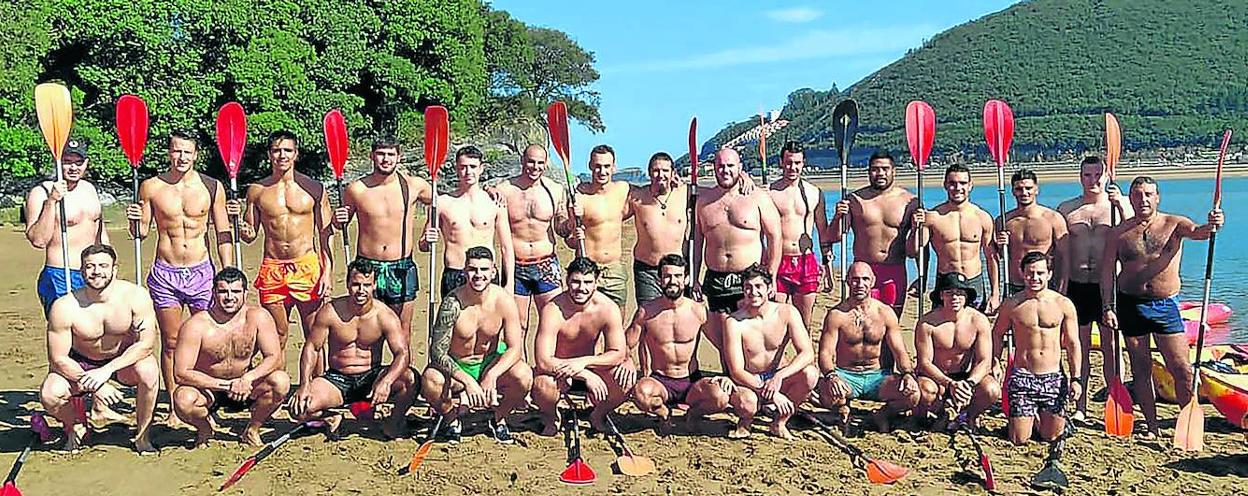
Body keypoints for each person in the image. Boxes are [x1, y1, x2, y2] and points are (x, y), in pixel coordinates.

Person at [1101, 176, 1224, 438]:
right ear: (1130, 199)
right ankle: (1152, 426)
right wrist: (1108, 306)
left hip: (1165, 306)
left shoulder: (1174, 224)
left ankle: (1185, 421)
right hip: (1130, 304)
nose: (1143, 200)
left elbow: (1200, 232)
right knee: (1141, 369)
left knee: (1181, 369)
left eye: (1148, 194)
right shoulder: (1118, 233)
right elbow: (1106, 273)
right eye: (1137, 195)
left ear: (1157, 198)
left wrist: (1213, 224)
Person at [127, 131, 234, 427]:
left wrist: (227, 271)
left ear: (196, 154)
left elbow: (222, 232)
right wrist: (134, 220)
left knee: (208, 340)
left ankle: (205, 399)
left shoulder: (212, 187)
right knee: (172, 342)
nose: (182, 157)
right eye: (176, 151)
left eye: (187, 152)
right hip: (166, 272)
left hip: (202, 272)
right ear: (169, 153)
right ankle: (175, 405)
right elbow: (141, 233)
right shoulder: (151, 187)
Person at [39, 244, 158, 453]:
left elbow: (146, 344)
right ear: (82, 271)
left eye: (103, 266)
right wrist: (96, 385)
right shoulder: (65, 306)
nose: (96, 272)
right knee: (50, 394)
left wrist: (106, 371)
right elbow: (58, 358)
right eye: (90, 266)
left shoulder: (136, 296)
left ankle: (142, 436)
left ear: (114, 269)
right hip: (81, 361)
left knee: (149, 371)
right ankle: (75, 427)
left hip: (122, 359)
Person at [289, 261, 417, 439]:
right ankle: (331, 418)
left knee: (410, 379)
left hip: (371, 377)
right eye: (356, 284)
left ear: (374, 285)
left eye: (366, 285)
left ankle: (393, 422)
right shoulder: (331, 311)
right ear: (348, 284)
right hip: (337, 378)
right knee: (299, 409)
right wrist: (304, 384)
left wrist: (386, 382)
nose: (361, 290)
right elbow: (312, 347)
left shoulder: (385, 315)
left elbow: (402, 353)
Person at [232, 131, 334, 354]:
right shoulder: (257, 190)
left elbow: (326, 234)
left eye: (287, 150)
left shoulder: (314, 189)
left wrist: (327, 273)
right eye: (277, 150)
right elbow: (249, 235)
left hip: (306, 266)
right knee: (276, 334)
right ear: (270, 155)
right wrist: (237, 222)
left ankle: (315, 386)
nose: (282, 155)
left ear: (296, 154)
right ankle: (273, 387)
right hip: (273, 269)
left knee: (314, 333)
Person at [421, 247, 533, 444]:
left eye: (483, 269)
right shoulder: (452, 303)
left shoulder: (504, 301)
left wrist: (492, 375)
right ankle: (452, 420)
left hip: (488, 362)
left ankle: (498, 418)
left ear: (493, 272)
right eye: (473, 269)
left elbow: (515, 348)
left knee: (523, 375)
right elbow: (437, 352)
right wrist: (468, 381)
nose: (478, 275)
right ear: (465, 271)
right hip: (459, 365)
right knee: (431, 380)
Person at [171, 267, 289, 447]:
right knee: (183, 399)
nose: (229, 297)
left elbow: (274, 357)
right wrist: (227, 385)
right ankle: (204, 429)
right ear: (213, 293)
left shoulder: (258, 317)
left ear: (245, 293)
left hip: (246, 385)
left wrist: (247, 378)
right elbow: (181, 373)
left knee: (280, 381)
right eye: (223, 291)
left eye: (235, 291)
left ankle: (252, 429)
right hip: (210, 389)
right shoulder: (197, 325)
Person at [333, 137, 434, 334]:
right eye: (381, 154)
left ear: (399, 157)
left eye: (390, 154)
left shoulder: (414, 186)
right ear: (372, 156)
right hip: (367, 266)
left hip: (401, 265)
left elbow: (440, 202)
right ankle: (374, 365)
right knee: (370, 328)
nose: (385, 159)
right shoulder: (357, 189)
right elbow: (340, 224)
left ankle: (402, 366)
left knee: (403, 329)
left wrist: (428, 230)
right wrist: (339, 218)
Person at [1056, 156, 1131, 420]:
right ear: (1080, 177)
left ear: (1107, 175)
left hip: (1107, 286)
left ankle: (1117, 403)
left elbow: (1133, 231)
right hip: (1077, 286)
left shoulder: (1118, 207)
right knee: (1080, 348)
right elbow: (1056, 250)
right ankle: (1080, 406)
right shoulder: (1067, 209)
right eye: (1087, 175)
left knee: (1112, 347)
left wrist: (1120, 203)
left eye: (1098, 174)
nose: (1093, 180)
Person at [626, 254, 729, 431]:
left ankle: (693, 414)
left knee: (720, 397)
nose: (672, 281)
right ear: (659, 280)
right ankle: (664, 413)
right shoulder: (647, 312)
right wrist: (626, 362)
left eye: (678, 276)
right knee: (640, 395)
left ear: (686, 279)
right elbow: (625, 345)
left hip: (691, 380)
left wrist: (727, 375)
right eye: (667, 276)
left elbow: (723, 345)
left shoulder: (698, 311)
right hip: (661, 380)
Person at [693, 148, 782, 350]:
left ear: (740, 168)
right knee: (725, 343)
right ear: (714, 169)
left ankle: (756, 379)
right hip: (716, 280)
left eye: (730, 166)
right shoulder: (704, 201)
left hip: (749, 278)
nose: (725, 170)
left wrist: (771, 276)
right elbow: (697, 242)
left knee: (750, 340)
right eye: (720, 166)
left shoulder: (757, 197)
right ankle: (729, 379)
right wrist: (695, 277)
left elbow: (775, 237)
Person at [816, 262, 919, 432]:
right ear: (848, 281)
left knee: (913, 395)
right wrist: (831, 376)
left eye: (865, 279)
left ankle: (882, 414)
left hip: (877, 377)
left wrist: (908, 374)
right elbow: (825, 353)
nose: (860, 284)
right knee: (827, 394)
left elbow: (899, 351)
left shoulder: (884, 313)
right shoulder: (836, 315)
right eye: (855, 280)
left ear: (872, 282)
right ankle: (842, 409)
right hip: (846, 375)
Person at [532, 257, 628, 436]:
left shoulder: (608, 308)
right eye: (576, 281)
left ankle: (598, 415)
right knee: (541, 385)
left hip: (592, 368)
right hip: (558, 374)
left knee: (625, 378)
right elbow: (543, 361)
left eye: (587, 282)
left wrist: (583, 363)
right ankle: (552, 417)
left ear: (596, 283)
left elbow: (618, 353)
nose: (581, 288)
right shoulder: (553, 309)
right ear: (567, 280)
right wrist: (580, 372)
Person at [992, 252, 1082, 444]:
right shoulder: (1012, 305)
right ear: (1022, 274)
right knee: (1019, 439)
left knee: (1051, 437)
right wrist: (995, 363)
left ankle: (1044, 419)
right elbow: (997, 334)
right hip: (1023, 376)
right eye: (1030, 273)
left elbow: (1073, 343)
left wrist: (1076, 378)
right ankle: (1026, 420)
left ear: (1049, 274)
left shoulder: (1063, 304)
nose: (1035, 278)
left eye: (1040, 273)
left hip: (1053, 377)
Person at [721, 265, 817, 439]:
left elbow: (807, 353)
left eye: (758, 287)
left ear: (770, 289)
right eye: (748, 287)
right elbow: (736, 370)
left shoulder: (787, 312)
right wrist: (772, 393)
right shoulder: (734, 322)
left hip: (776, 375)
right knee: (746, 404)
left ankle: (779, 422)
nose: (753, 292)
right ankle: (745, 421)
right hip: (750, 380)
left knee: (810, 374)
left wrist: (779, 377)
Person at [491, 144, 570, 336]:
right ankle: (522, 365)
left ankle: (548, 365)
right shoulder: (505, 189)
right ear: (522, 161)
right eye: (531, 162)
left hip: (546, 263)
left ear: (546, 164)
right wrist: (488, 189)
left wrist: (572, 223)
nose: (535, 167)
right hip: (516, 265)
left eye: (540, 163)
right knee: (519, 324)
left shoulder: (555, 190)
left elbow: (561, 226)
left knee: (552, 321)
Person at [828, 150, 919, 316]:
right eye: (875, 169)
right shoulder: (855, 200)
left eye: (885, 169)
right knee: (863, 322)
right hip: (863, 271)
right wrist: (837, 216)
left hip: (894, 270)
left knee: (891, 322)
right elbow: (834, 237)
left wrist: (922, 276)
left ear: (894, 171)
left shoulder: (909, 202)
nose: (880, 173)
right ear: (869, 172)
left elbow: (917, 249)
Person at [25, 138, 109, 317]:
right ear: (58, 162)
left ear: (86, 163)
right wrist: (52, 201)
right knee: (66, 333)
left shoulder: (90, 189)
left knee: (94, 333)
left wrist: (108, 265)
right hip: (60, 273)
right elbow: (38, 240)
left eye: (78, 162)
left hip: (93, 272)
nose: (73, 168)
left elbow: (100, 232)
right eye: (67, 162)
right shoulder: (41, 192)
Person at [420, 145, 515, 298]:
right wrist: (427, 240)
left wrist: (509, 283)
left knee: (488, 322)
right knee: (453, 321)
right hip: (455, 273)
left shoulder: (495, 202)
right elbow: (423, 245)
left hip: (486, 273)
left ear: (481, 168)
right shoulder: (442, 203)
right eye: (463, 167)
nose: (468, 172)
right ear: (457, 168)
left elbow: (506, 247)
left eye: (473, 167)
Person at [914, 272, 1000, 428]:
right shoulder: (927, 323)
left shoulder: (979, 320)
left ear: (966, 297)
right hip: (937, 378)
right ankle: (942, 413)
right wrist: (949, 384)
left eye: (960, 293)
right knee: (925, 390)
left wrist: (969, 384)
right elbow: (924, 362)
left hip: (965, 377)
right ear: (941, 296)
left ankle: (968, 416)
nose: (955, 298)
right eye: (949, 293)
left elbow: (984, 360)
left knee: (992, 390)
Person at [909, 164, 996, 312]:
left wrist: (995, 293)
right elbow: (915, 251)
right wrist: (915, 227)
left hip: (973, 281)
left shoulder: (982, 217)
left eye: (962, 183)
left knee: (974, 328)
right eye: (952, 183)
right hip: (945, 280)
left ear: (970, 185)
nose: (957, 188)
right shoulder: (933, 217)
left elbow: (991, 257)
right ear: (945, 185)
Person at [766, 141, 830, 326]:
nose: (792, 167)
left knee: (804, 323)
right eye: (788, 162)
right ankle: (779, 356)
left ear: (803, 163)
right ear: (781, 162)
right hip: (779, 260)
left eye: (797, 163)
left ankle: (806, 354)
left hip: (806, 262)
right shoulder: (769, 192)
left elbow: (822, 231)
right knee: (777, 322)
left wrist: (827, 265)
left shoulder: (814, 193)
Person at [562, 144, 633, 310]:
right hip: (586, 268)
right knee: (587, 325)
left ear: (614, 167)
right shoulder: (579, 195)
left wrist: (676, 183)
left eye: (607, 166)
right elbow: (569, 239)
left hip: (614, 269)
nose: (602, 171)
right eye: (597, 166)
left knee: (616, 324)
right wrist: (573, 220)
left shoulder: (623, 190)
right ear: (590, 166)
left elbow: (650, 195)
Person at [994, 169, 1069, 297]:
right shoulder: (1003, 221)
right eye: (1019, 189)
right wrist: (1001, 246)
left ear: (1036, 189)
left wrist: (1062, 289)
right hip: (1015, 285)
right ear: (1013, 191)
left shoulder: (1053, 218)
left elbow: (1065, 258)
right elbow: (1000, 257)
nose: (1024, 193)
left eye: (1028, 188)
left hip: (1044, 285)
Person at [628, 152, 688, 308]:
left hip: (677, 269)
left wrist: (743, 177)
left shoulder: (685, 193)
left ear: (673, 173)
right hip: (647, 269)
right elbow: (611, 214)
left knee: (678, 318)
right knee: (648, 317)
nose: (660, 175)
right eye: (656, 170)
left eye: (665, 170)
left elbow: (718, 193)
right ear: (649, 173)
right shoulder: (637, 197)